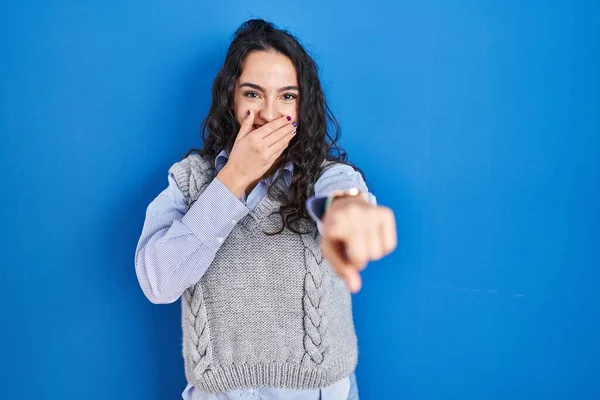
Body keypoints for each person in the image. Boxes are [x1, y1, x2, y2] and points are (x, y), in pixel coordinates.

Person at [134, 18, 397, 400]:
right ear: (231, 99)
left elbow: (343, 198)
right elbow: (158, 283)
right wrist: (232, 180)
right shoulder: (189, 181)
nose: (271, 114)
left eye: (287, 96)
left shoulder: (330, 176)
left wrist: (349, 215)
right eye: (254, 94)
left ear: (303, 106)